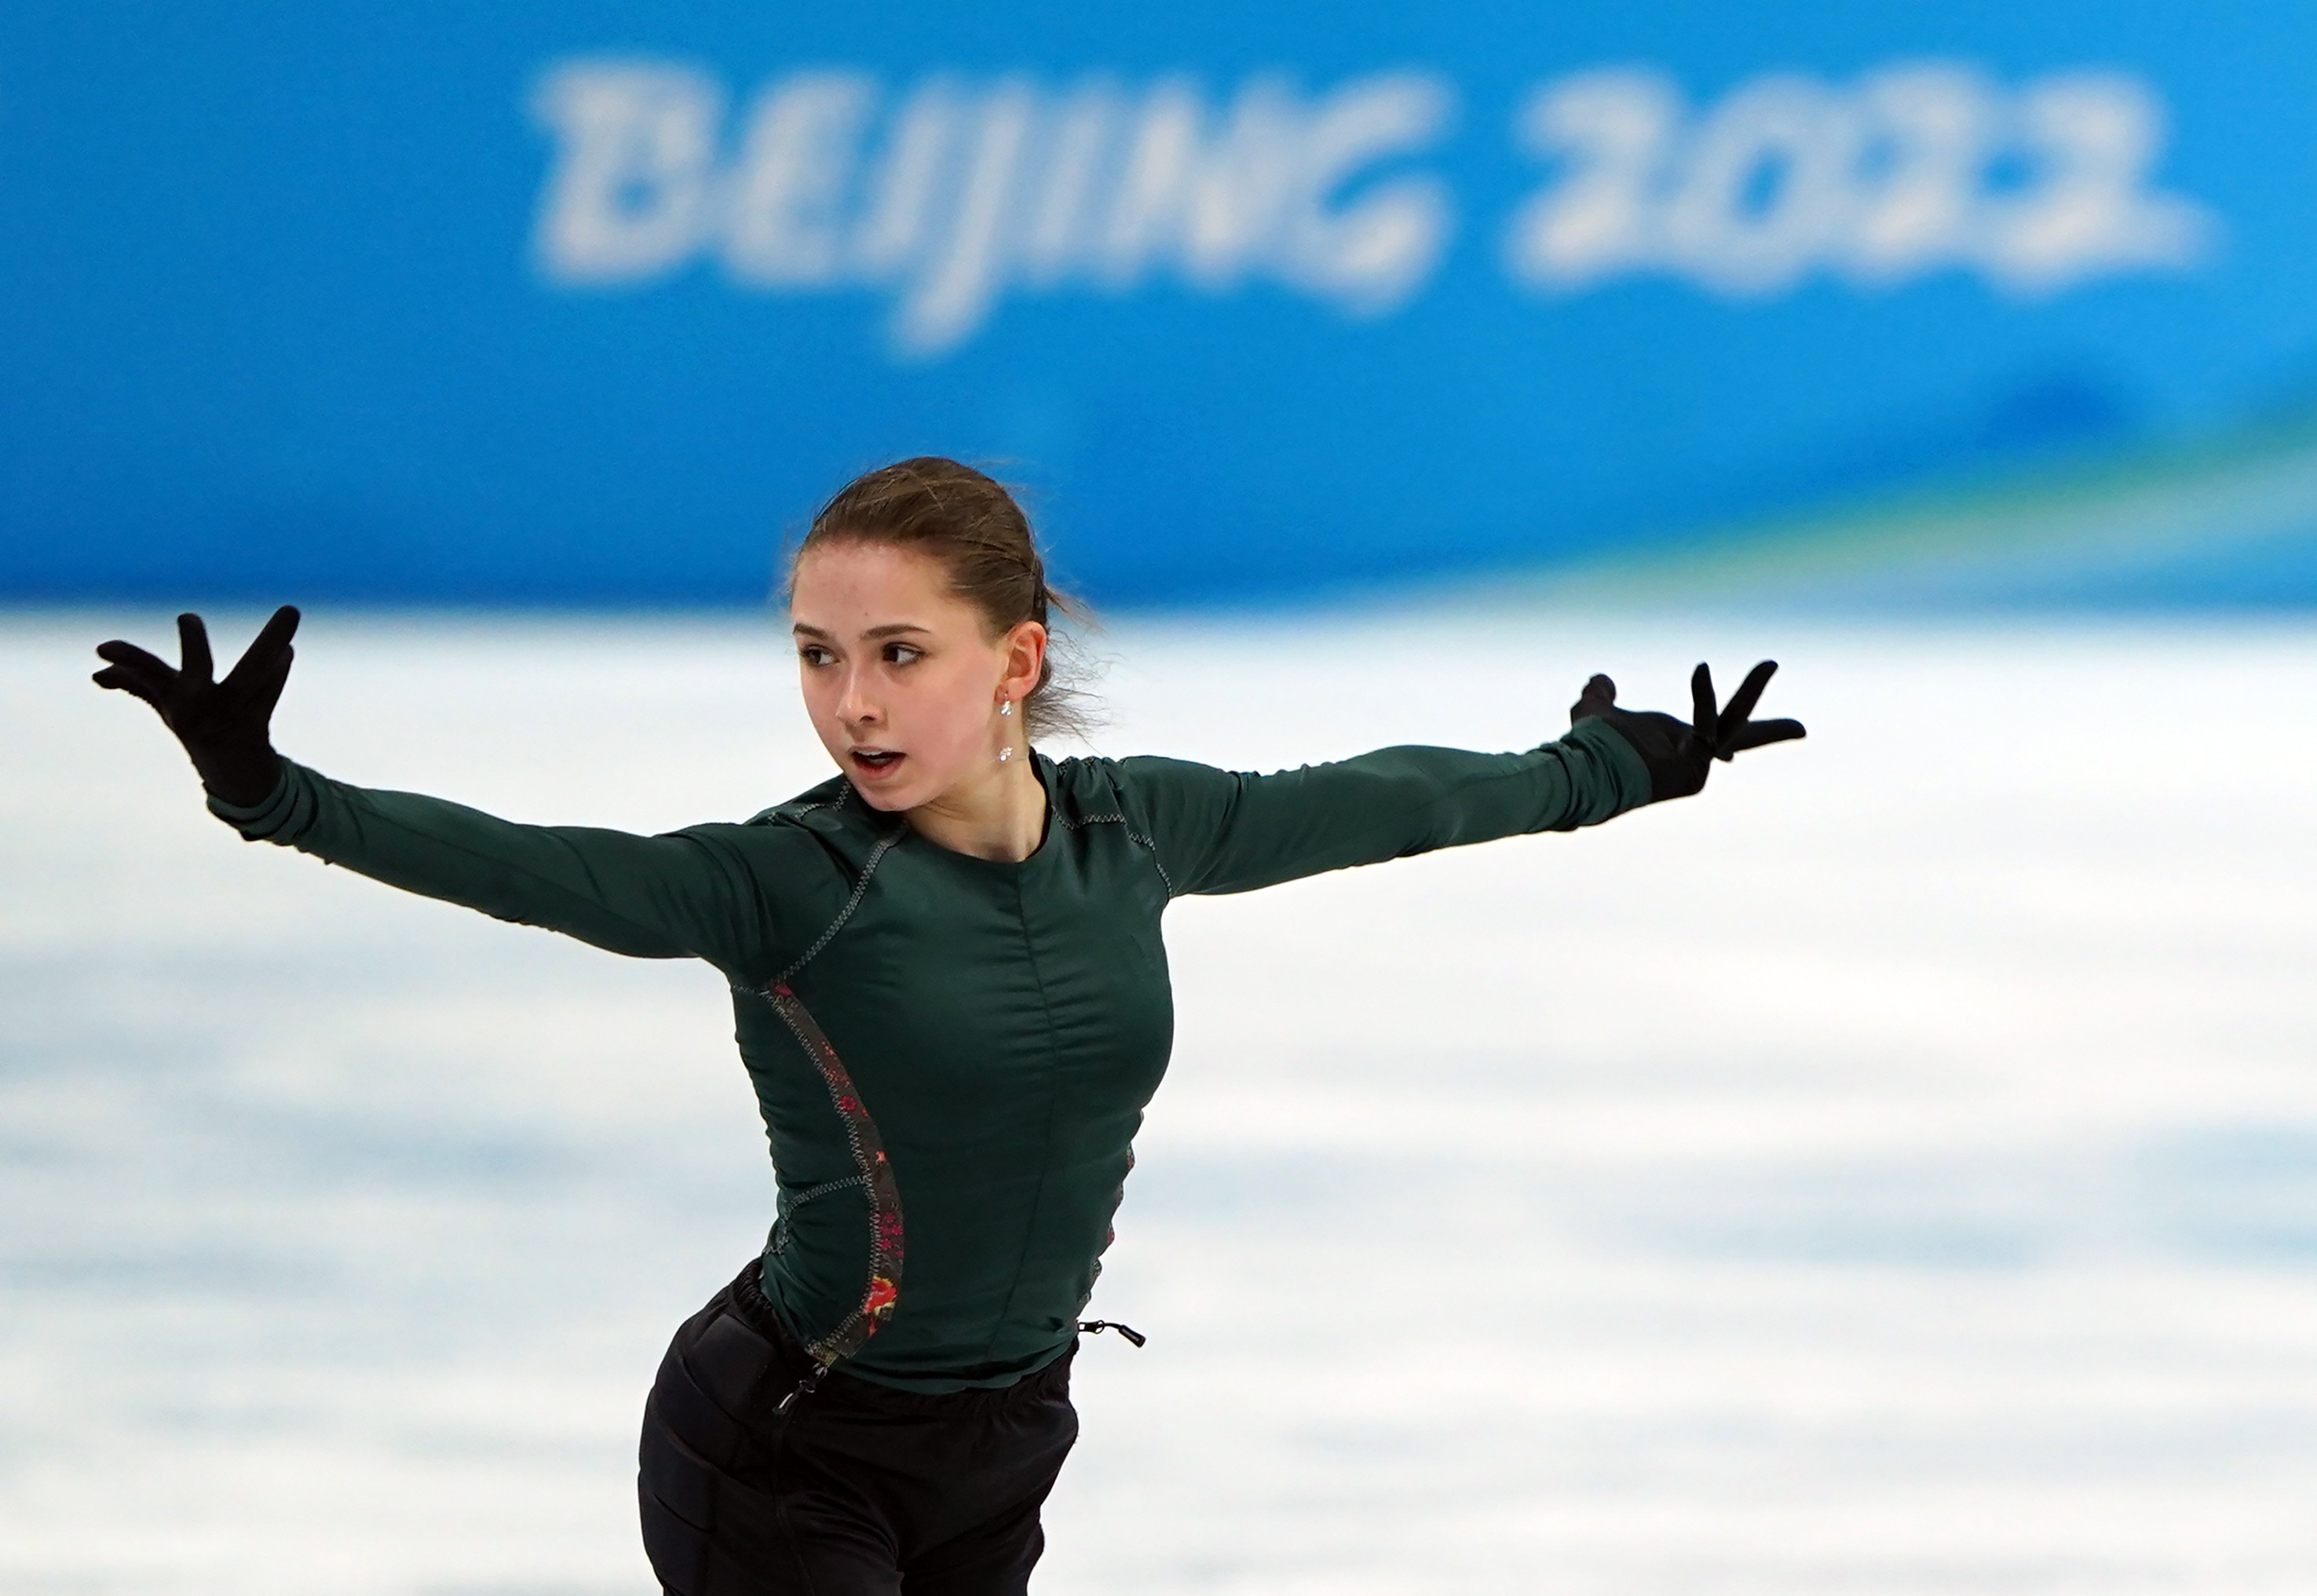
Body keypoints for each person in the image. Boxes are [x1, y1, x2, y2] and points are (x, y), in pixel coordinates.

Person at [91, 457, 1804, 1595]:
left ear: (1014, 659)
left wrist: (1616, 769)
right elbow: (551, 868)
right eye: (818, 654)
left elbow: (1377, 800)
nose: (850, 699)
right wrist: (277, 794)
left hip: (1004, 1442)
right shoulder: (790, 882)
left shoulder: (1140, 827)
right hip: (787, 1452)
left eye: (898, 650)